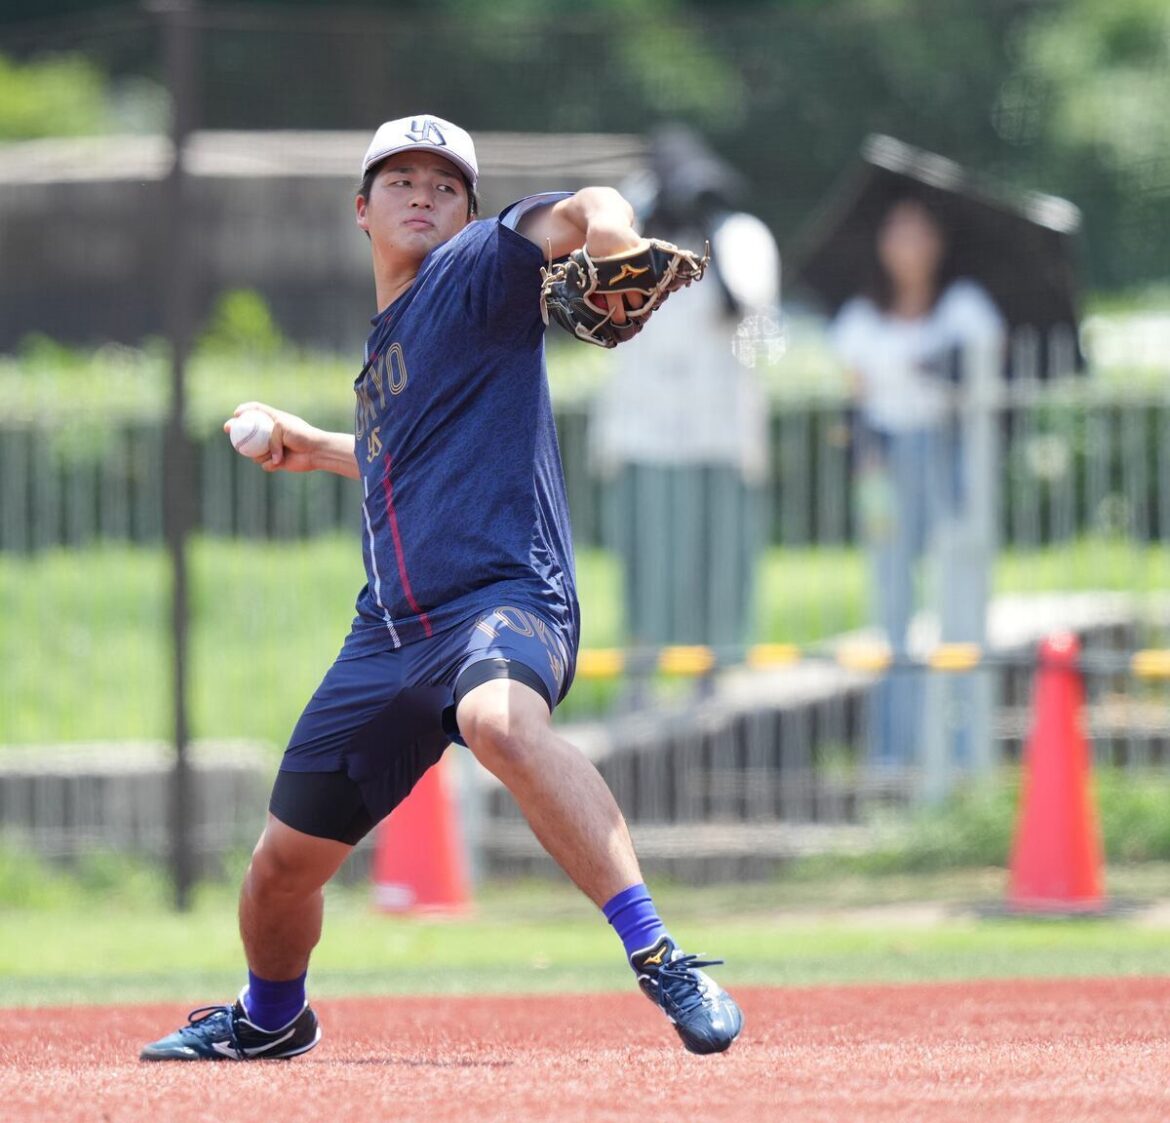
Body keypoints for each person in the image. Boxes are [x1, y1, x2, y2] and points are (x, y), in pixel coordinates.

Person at [139, 114, 742, 1061]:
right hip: (388, 634)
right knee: (279, 871)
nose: (424, 194)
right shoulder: (384, 357)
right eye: (401, 180)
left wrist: (614, 236)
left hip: (505, 596)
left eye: (445, 185)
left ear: (466, 212)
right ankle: (270, 1017)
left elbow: (579, 209)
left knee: (499, 723)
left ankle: (660, 954)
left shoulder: (477, 270)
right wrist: (325, 448)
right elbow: (406, 459)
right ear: (361, 210)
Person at [591, 125, 779, 661]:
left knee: (718, 562)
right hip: (641, 436)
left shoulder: (740, 235)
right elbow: (600, 302)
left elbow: (751, 308)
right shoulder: (631, 239)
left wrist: (706, 240)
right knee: (646, 566)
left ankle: (714, 671)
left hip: (720, 436)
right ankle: (641, 673)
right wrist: (642, 221)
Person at [830, 195, 1005, 769]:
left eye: (918, 233)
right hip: (884, 462)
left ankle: (960, 749)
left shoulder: (965, 307)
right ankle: (894, 749)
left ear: (939, 241)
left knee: (956, 601)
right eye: (896, 232)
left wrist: (937, 367)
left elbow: (983, 370)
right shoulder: (860, 317)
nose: (907, 246)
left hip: (946, 457)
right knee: (894, 605)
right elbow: (855, 405)